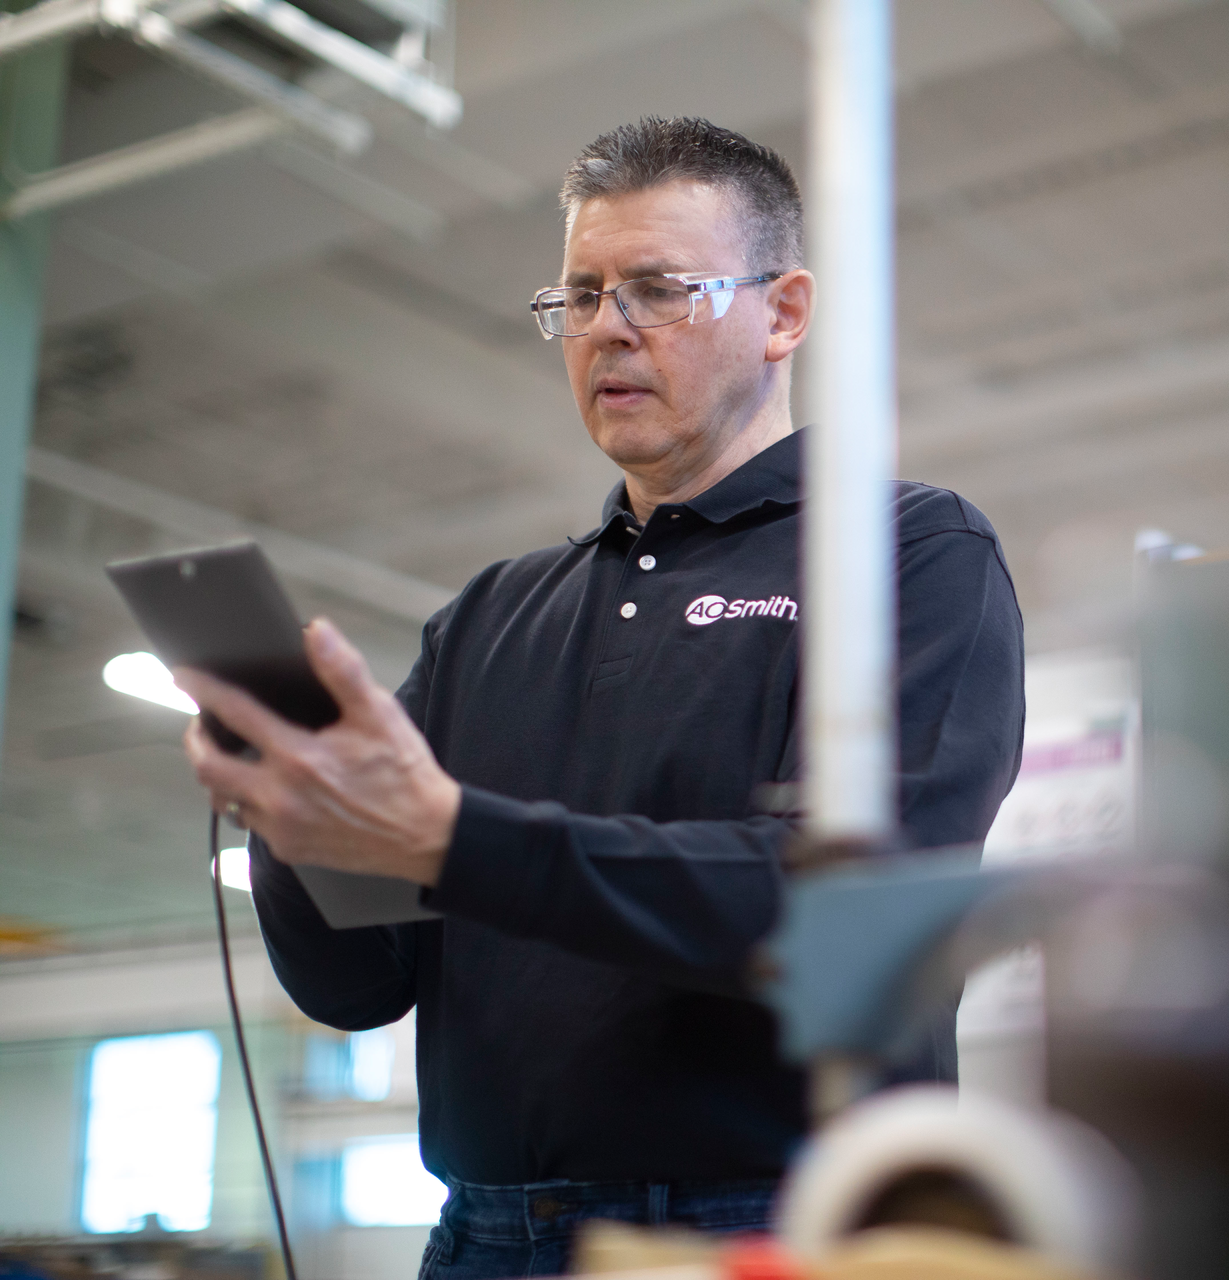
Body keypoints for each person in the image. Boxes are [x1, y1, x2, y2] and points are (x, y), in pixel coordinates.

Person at [177, 117, 1025, 1278]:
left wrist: (460, 837)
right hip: (483, 1233)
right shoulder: (488, 616)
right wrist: (296, 818)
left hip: (772, 1223)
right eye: (580, 295)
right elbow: (357, 987)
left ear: (782, 313)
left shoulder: (905, 549)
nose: (608, 328)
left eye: (660, 290)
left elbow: (849, 905)